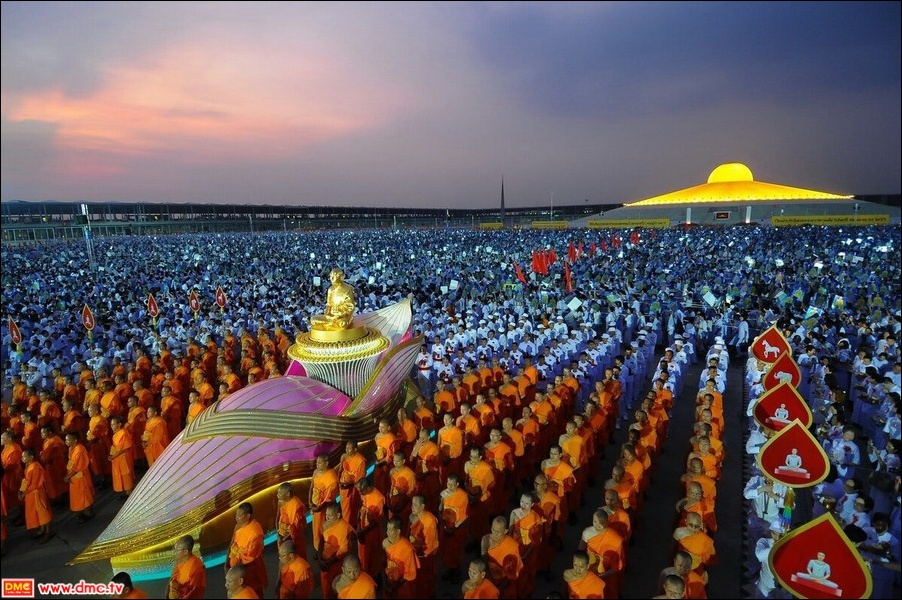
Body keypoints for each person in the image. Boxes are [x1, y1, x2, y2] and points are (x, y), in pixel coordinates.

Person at [226, 502, 267, 598]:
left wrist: (236, 569)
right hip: (236, 567)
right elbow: (232, 544)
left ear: (248, 516)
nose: (237, 517)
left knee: (254, 592)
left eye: (239, 515)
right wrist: (227, 562)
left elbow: (251, 556)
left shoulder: (255, 532)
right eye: (236, 514)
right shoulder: (238, 526)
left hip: (250, 568)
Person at [319, 504, 354, 600]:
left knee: (337, 589)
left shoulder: (345, 528)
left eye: (330, 515)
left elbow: (343, 551)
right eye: (326, 514)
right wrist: (319, 559)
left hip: (336, 564)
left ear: (338, 515)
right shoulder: (326, 524)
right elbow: (321, 540)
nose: (327, 517)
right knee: (326, 589)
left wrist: (327, 563)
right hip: (324, 561)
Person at [18, 448, 53, 543]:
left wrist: (24, 493)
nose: (22, 458)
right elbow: (25, 481)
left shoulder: (35, 467)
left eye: (24, 456)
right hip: (30, 494)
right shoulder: (28, 465)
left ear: (31, 457)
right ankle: (42, 530)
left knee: (43, 513)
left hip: (36, 493)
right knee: (38, 513)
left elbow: (34, 484)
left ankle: (48, 532)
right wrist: (20, 491)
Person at [409, 494, 439, 597]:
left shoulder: (429, 521)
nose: (412, 507)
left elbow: (429, 544)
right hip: (416, 552)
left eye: (415, 505)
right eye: (412, 504)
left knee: (425, 579)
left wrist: (420, 553)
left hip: (425, 556)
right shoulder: (415, 517)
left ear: (422, 507)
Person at [383, 517, 420, 599]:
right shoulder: (386, 543)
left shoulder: (407, 549)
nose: (387, 532)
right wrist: (386, 583)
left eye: (390, 530)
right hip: (390, 581)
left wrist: (394, 587)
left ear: (398, 531)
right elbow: (385, 564)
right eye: (387, 529)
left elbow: (409, 574)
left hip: (402, 586)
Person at [64, 432, 95, 522]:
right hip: (73, 476)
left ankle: (89, 513)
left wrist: (68, 476)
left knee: (85, 494)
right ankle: (83, 512)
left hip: (81, 476)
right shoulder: (71, 449)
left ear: (75, 440)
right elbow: (71, 463)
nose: (66, 441)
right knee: (78, 495)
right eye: (66, 439)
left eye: (68, 439)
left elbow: (79, 467)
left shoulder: (79, 450)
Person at [276, 482, 308, 561]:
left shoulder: (296, 506)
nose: (277, 495)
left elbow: (295, 527)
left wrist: (284, 539)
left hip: (294, 536)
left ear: (288, 494)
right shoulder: (280, 501)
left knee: (298, 556)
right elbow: (277, 517)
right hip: (282, 534)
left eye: (280, 493)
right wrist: (278, 534)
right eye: (278, 492)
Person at [168, 535, 206, 599]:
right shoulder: (179, 562)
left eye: (177, 550)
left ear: (185, 552)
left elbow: (193, 593)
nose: (174, 552)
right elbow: (172, 581)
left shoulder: (197, 568)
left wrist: (177, 587)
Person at [108, 416, 135, 499]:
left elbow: (125, 448)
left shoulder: (123, 433)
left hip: (123, 457)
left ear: (119, 424)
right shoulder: (116, 434)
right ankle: (127, 492)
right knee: (122, 475)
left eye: (113, 424)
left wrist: (114, 456)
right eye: (111, 424)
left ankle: (130, 493)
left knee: (126, 474)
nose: (111, 426)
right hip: (118, 457)